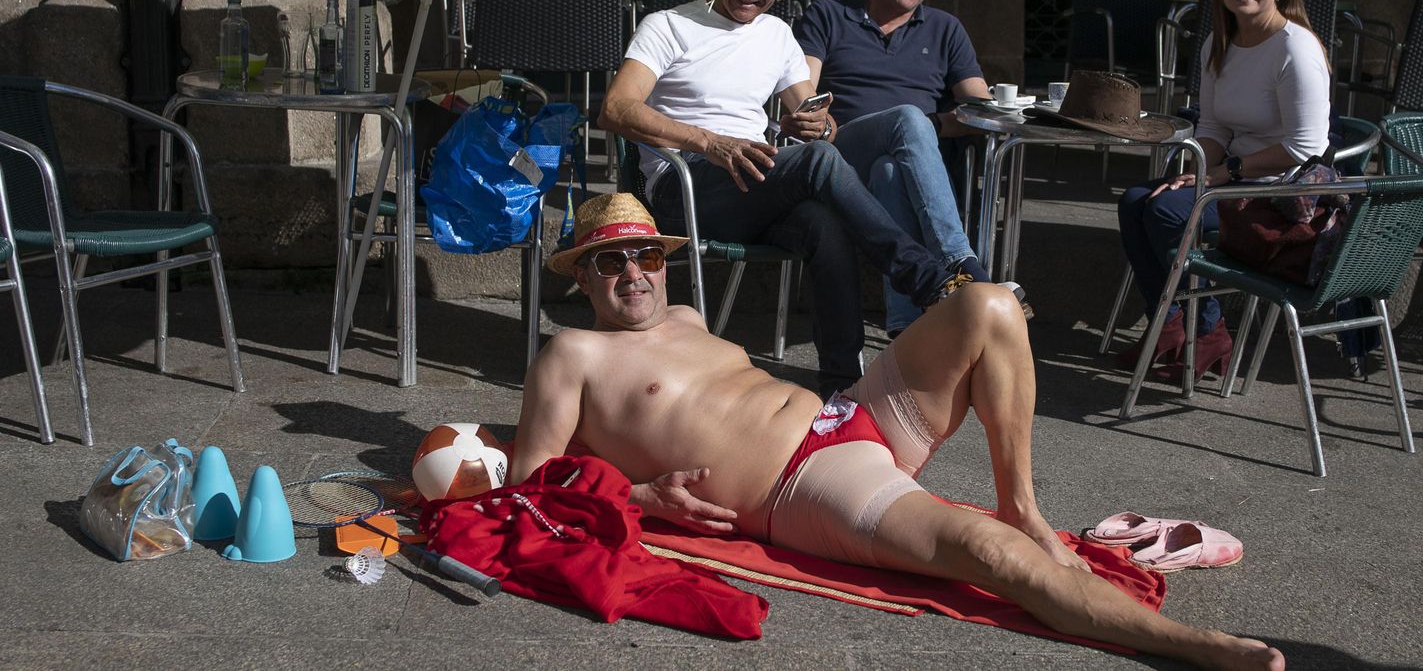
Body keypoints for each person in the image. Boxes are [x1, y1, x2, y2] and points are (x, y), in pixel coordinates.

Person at [510, 193, 1284, 671]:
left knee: (990, 305)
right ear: (582, 276)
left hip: (847, 415)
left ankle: (1023, 505)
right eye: (612, 263)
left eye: (646, 254)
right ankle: (1191, 644)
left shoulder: (684, 316)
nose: (635, 273)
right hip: (803, 487)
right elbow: (528, 489)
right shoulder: (572, 355)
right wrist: (642, 497)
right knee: (987, 556)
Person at [598, 0, 1006, 397]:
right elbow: (616, 107)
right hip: (686, 184)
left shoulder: (776, 35)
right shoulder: (668, 25)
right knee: (816, 165)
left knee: (822, 222)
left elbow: (814, 116)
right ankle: (928, 279)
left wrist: (818, 125)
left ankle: (842, 385)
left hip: (753, 183)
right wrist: (711, 143)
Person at [1116, 0, 1332, 379]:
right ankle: (1171, 325)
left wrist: (1220, 174)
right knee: (1136, 200)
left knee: (1170, 214)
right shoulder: (1220, 41)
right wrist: (1197, 170)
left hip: (1279, 194)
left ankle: (1209, 330)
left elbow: (1305, 147)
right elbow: (1213, 126)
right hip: (1235, 179)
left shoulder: (1295, 48)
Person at [793, 0, 1012, 337]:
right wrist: (919, 124)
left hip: (912, 167)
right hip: (841, 156)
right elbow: (805, 96)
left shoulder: (946, 29)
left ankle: (906, 329)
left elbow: (980, 110)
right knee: (908, 120)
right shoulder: (828, 15)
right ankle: (959, 263)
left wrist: (932, 128)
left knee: (890, 169)